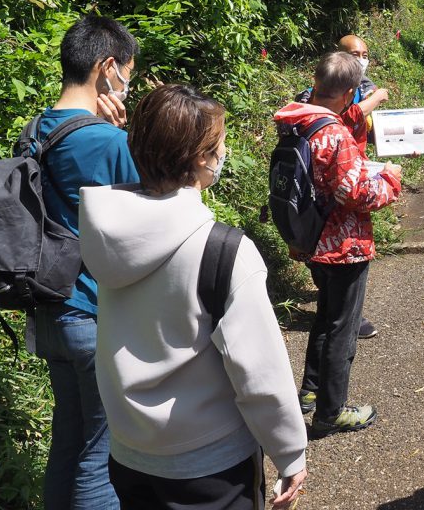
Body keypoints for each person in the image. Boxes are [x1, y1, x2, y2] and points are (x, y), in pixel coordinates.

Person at [79, 84, 307, 509]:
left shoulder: (107, 232)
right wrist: (290, 452)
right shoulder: (223, 251)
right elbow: (260, 374)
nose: (225, 152)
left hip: (128, 454)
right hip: (210, 465)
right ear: (202, 157)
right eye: (220, 144)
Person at [31, 15, 139, 509]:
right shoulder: (109, 141)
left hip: (48, 309)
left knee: (69, 445)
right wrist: (121, 137)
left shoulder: (35, 132)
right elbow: (146, 218)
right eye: (128, 77)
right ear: (108, 68)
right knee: (103, 458)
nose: (128, 87)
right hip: (93, 310)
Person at [274, 51, 402, 435]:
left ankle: (310, 392)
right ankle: (332, 410)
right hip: (344, 246)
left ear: (316, 83)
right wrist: (390, 179)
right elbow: (356, 193)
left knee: (327, 319)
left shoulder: (298, 122)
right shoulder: (335, 134)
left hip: (312, 239)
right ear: (349, 94)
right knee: (343, 328)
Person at [297, 34, 388, 339]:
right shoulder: (312, 96)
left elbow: (368, 132)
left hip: (353, 168)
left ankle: (338, 313)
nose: (361, 59)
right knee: (327, 253)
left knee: (334, 254)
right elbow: (338, 121)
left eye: (365, 53)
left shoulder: (364, 88)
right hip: (322, 188)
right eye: (354, 54)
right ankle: (343, 320)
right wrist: (390, 181)